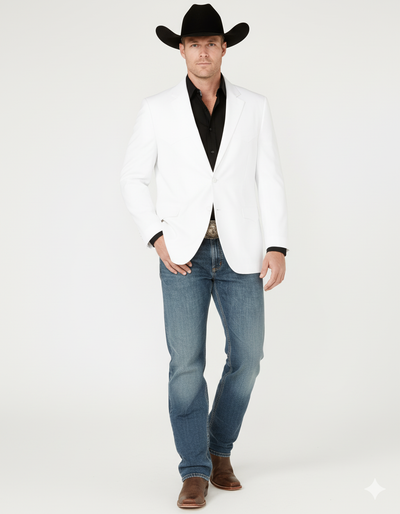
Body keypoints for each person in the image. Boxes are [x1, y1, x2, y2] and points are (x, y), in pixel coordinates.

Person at [120, 4, 289, 509]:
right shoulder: (157, 109)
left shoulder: (254, 106)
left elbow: (269, 178)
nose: (202, 53)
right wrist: (156, 236)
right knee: (186, 366)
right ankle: (194, 469)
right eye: (193, 44)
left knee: (249, 359)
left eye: (211, 43)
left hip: (241, 251)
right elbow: (132, 177)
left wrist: (277, 244)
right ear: (181, 50)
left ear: (223, 48)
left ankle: (219, 448)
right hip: (182, 256)